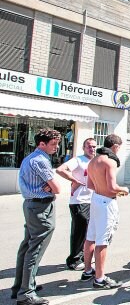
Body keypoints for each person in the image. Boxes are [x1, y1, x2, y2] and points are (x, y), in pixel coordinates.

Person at [12, 129, 63, 304]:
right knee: (35, 249)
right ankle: (26, 293)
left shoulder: (30, 158)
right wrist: (50, 186)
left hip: (32, 205)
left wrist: (49, 186)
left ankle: (21, 285)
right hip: (40, 208)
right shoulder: (40, 160)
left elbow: (51, 186)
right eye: (53, 144)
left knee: (27, 246)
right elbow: (57, 188)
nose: (56, 147)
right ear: (42, 144)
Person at [82, 134, 128, 289]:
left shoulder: (93, 161)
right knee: (103, 241)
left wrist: (102, 189)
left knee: (91, 237)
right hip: (106, 203)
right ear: (115, 146)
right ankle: (100, 279)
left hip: (96, 199)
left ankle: (88, 270)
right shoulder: (110, 161)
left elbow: (90, 184)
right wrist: (124, 190)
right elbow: (112, 187)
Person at [56, 138, 97, 271]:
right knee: (80, 229)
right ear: (84, 148)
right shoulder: (78, 160)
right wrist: (75, 180)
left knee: (89, 230)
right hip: (79, 201)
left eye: (94, 147)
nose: (92, 149)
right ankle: (73, 259)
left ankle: (85, 257)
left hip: (93, 200)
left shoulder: (96, 161)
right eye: (89, 147)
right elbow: (61, 169)